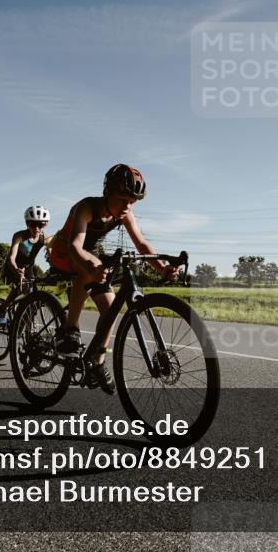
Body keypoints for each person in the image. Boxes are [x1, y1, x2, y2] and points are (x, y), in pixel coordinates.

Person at [45, 164, 178, 394]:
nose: (127, 206)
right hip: (64, 252)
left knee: (110, 309)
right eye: (122, 199)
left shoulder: (125, 213)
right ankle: (70, 329)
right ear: (107, 193)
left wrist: (163, 268)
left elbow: (142, 244)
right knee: (90, 268)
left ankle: (97, 363)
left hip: (90, 253)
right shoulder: (86, 208)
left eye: (133, 201)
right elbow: (76, 246)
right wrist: (92, 266)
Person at [0, 205, 50, 326]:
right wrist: (17, 270)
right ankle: (2, 309)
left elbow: (51, 257)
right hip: (13, 266)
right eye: (32, 224)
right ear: (27, 223)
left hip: (29, 268)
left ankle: (23, 323)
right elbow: (11, 257)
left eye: (41, 225)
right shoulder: (19, 236)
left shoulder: (45, 238)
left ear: (45, 225)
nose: (36, 228)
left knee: (36, 298)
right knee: (24, 287)